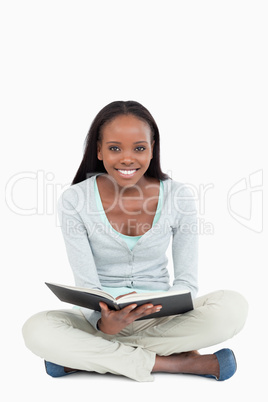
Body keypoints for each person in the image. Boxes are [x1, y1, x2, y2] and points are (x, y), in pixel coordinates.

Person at [22, 100, 248, 382]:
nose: (127, 158)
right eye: (115, 148)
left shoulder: (179, 196)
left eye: (139, 148)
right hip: (99, 323)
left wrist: (166, 307)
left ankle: (88, 358)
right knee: (36, 329)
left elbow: (187, 282)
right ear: (99, 150)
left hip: (163, 321)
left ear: (153, 149)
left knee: (233, 307)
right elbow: (86, 282)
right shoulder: (75, 199)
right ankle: (177, 363)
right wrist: (105, 323)